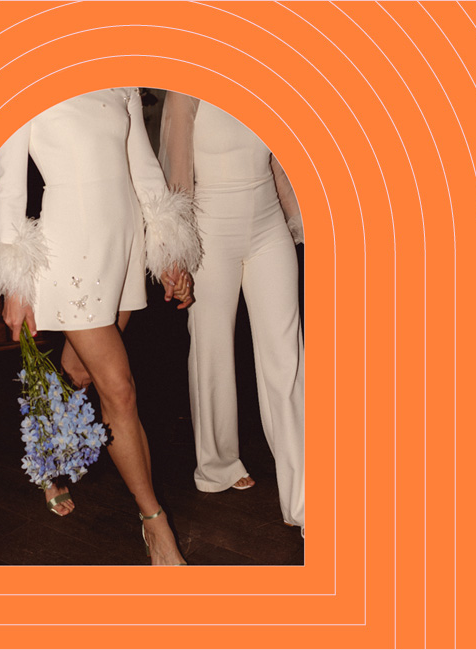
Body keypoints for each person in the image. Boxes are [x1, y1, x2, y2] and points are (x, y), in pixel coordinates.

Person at [0, 88, 200, 564]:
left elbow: (144, 172)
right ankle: (154, 522)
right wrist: (14, 281)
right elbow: (10, 185)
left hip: (124, 245)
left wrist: (170, 253)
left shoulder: (120, 80)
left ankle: (48, 464)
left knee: (80, 373)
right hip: (70, 250)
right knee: (120, 389)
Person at [158, 91, 305, 535]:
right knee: (213, 352)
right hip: (210, 232)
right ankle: (217, 465)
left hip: (269, 227)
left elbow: (281, 163)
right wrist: (175, 254)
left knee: (287, 361)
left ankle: (304, 498)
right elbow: (177, 178)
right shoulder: (184, 89)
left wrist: (304, 221)